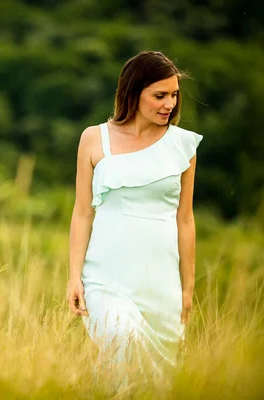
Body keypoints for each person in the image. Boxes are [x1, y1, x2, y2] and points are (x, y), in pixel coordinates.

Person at [66, 51, 203, 389]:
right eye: (160, 95)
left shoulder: (183, 146)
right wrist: (73, 277)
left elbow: (185, 220)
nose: (169, 103)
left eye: (174, 95)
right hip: (105, 279)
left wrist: (188, 288)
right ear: (133, 92)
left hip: (162, 286)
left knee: (156, 384)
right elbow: (83, 212)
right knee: (122, 340)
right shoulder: (94, 139)